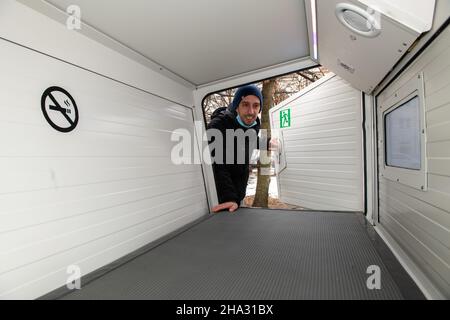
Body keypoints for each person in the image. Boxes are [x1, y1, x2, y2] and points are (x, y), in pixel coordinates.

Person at [207, 85, 264, 213]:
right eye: (245, 104)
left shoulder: (251, 127)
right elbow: (217, 165)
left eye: (255, 105)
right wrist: (228, 197)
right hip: (221, 198)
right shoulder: (218, 126)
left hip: (238, 195)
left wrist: (268, 142)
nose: (251, 111)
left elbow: (248, 141)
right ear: (236, 106)